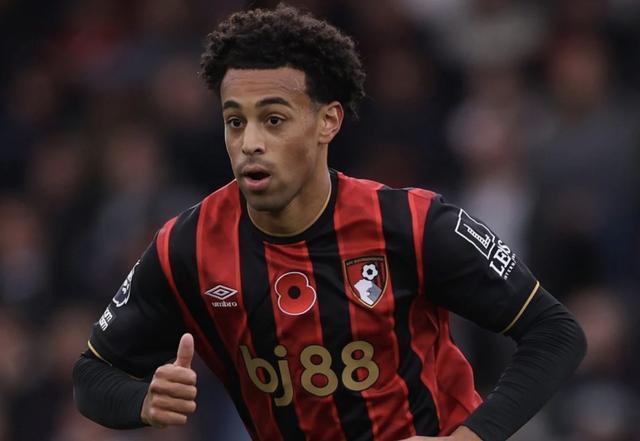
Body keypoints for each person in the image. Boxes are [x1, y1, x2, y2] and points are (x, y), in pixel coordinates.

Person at [72, 5, 586, 441]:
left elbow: (556, 332)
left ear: (328, 122)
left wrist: (472, 438)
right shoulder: (187, 247)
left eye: (273, 120)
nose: (250, 142)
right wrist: (144, 401)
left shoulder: (411, 223)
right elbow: (92, 374)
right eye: (235, 121)